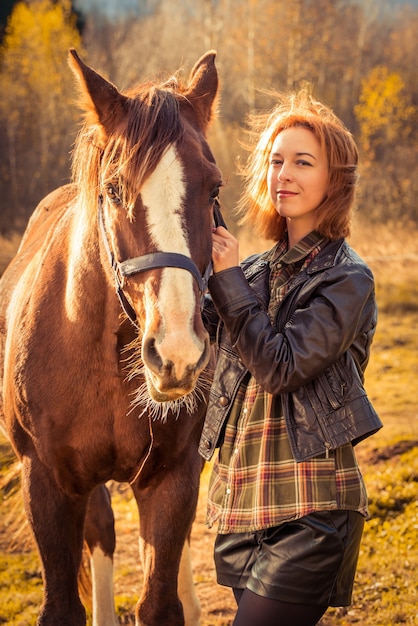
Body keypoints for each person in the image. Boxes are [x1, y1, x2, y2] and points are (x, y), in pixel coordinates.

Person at [199, 88, 383, 626]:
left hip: (311, 509)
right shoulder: (252, 272)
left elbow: (282, 366)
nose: (285, 173)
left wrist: (227, 281)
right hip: (241, 506)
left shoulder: (347, 278)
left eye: (303, 162)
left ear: (335, 181)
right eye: (276, 161)